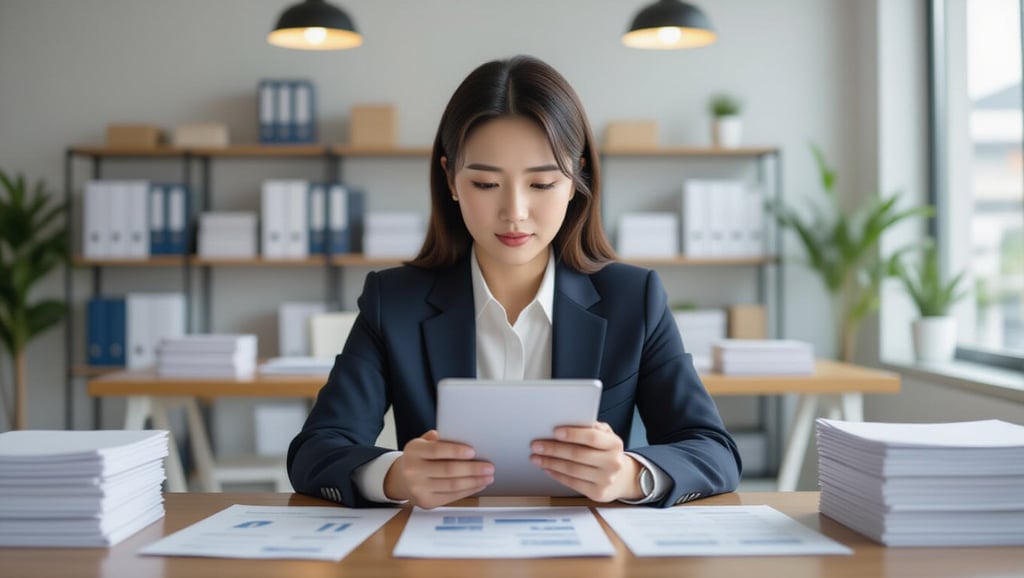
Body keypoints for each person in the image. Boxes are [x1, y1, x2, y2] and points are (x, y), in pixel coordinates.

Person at [288, 55, 741, 509]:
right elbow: (316, 450)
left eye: (542, 184)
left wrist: (630, 474)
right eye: (485, 184)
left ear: (575, 179)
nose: (515, 212)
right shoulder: (394, 301)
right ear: (450, 179)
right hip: (441, 552)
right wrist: (395, 475)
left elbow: (712, 451)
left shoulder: (633, 298)